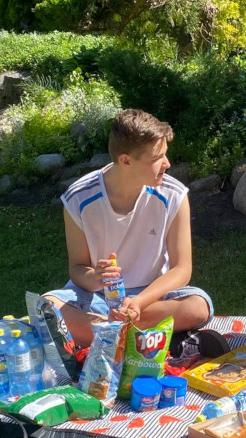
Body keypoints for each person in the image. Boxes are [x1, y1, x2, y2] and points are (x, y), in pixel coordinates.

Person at [43, 109, 214, 351]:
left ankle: (109, 340)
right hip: (98, 299)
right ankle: (148, 340)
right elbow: (77, 269)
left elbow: (181, 269)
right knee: (47, 307)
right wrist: (95, 277)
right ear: (126, 160)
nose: (168, 163)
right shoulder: (79, 198)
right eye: (158, 158)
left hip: (150, 297)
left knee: (198, 306)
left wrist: (139, 302)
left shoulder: (173, 195)